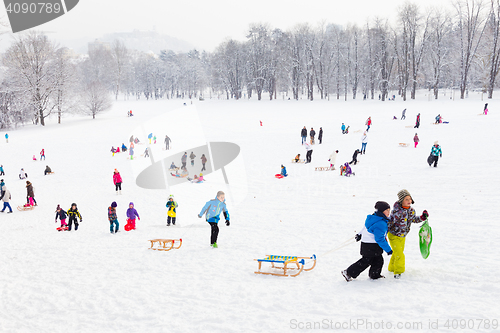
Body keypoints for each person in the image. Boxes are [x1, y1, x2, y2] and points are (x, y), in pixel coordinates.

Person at [342, 201, 393, 281]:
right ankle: (348, 272)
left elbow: (365, 228)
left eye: (389, 210)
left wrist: (360, 234)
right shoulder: (381, 223)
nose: (388, 213)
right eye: (386, 211)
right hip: (372, 245)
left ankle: (374, 275)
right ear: (381, 211)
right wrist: (388, 250)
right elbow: (379, 239)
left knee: (378, 260)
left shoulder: (372, 217)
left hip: (367, 244)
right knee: (366, 261)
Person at [387, 189, 428, 279]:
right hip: (394, 235)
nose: (409, 201)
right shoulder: (397, 212)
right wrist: (383, 234)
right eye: (406, 199)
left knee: (397, 252)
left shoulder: (411, 211)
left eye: (410, 199)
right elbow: (389, 223)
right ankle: (398, 272)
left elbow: (414, 219)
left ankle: (391, 268)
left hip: (403, 236)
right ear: (401, 201)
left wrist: (422, 217)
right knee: (400, 254)